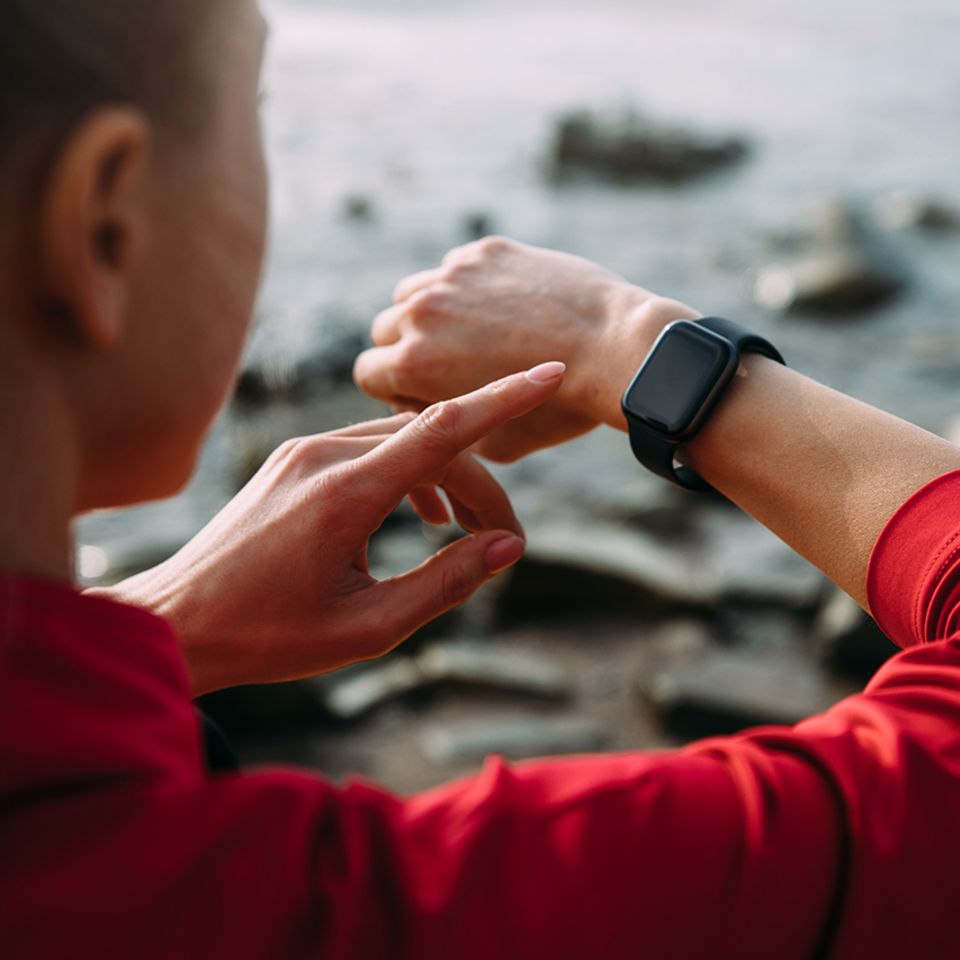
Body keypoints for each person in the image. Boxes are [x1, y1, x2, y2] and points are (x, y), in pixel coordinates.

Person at [3, 1, 960, 958]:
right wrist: (620, 339)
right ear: (104, 224)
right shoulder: (386, 912)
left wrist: (149, 638)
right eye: (255, 101)